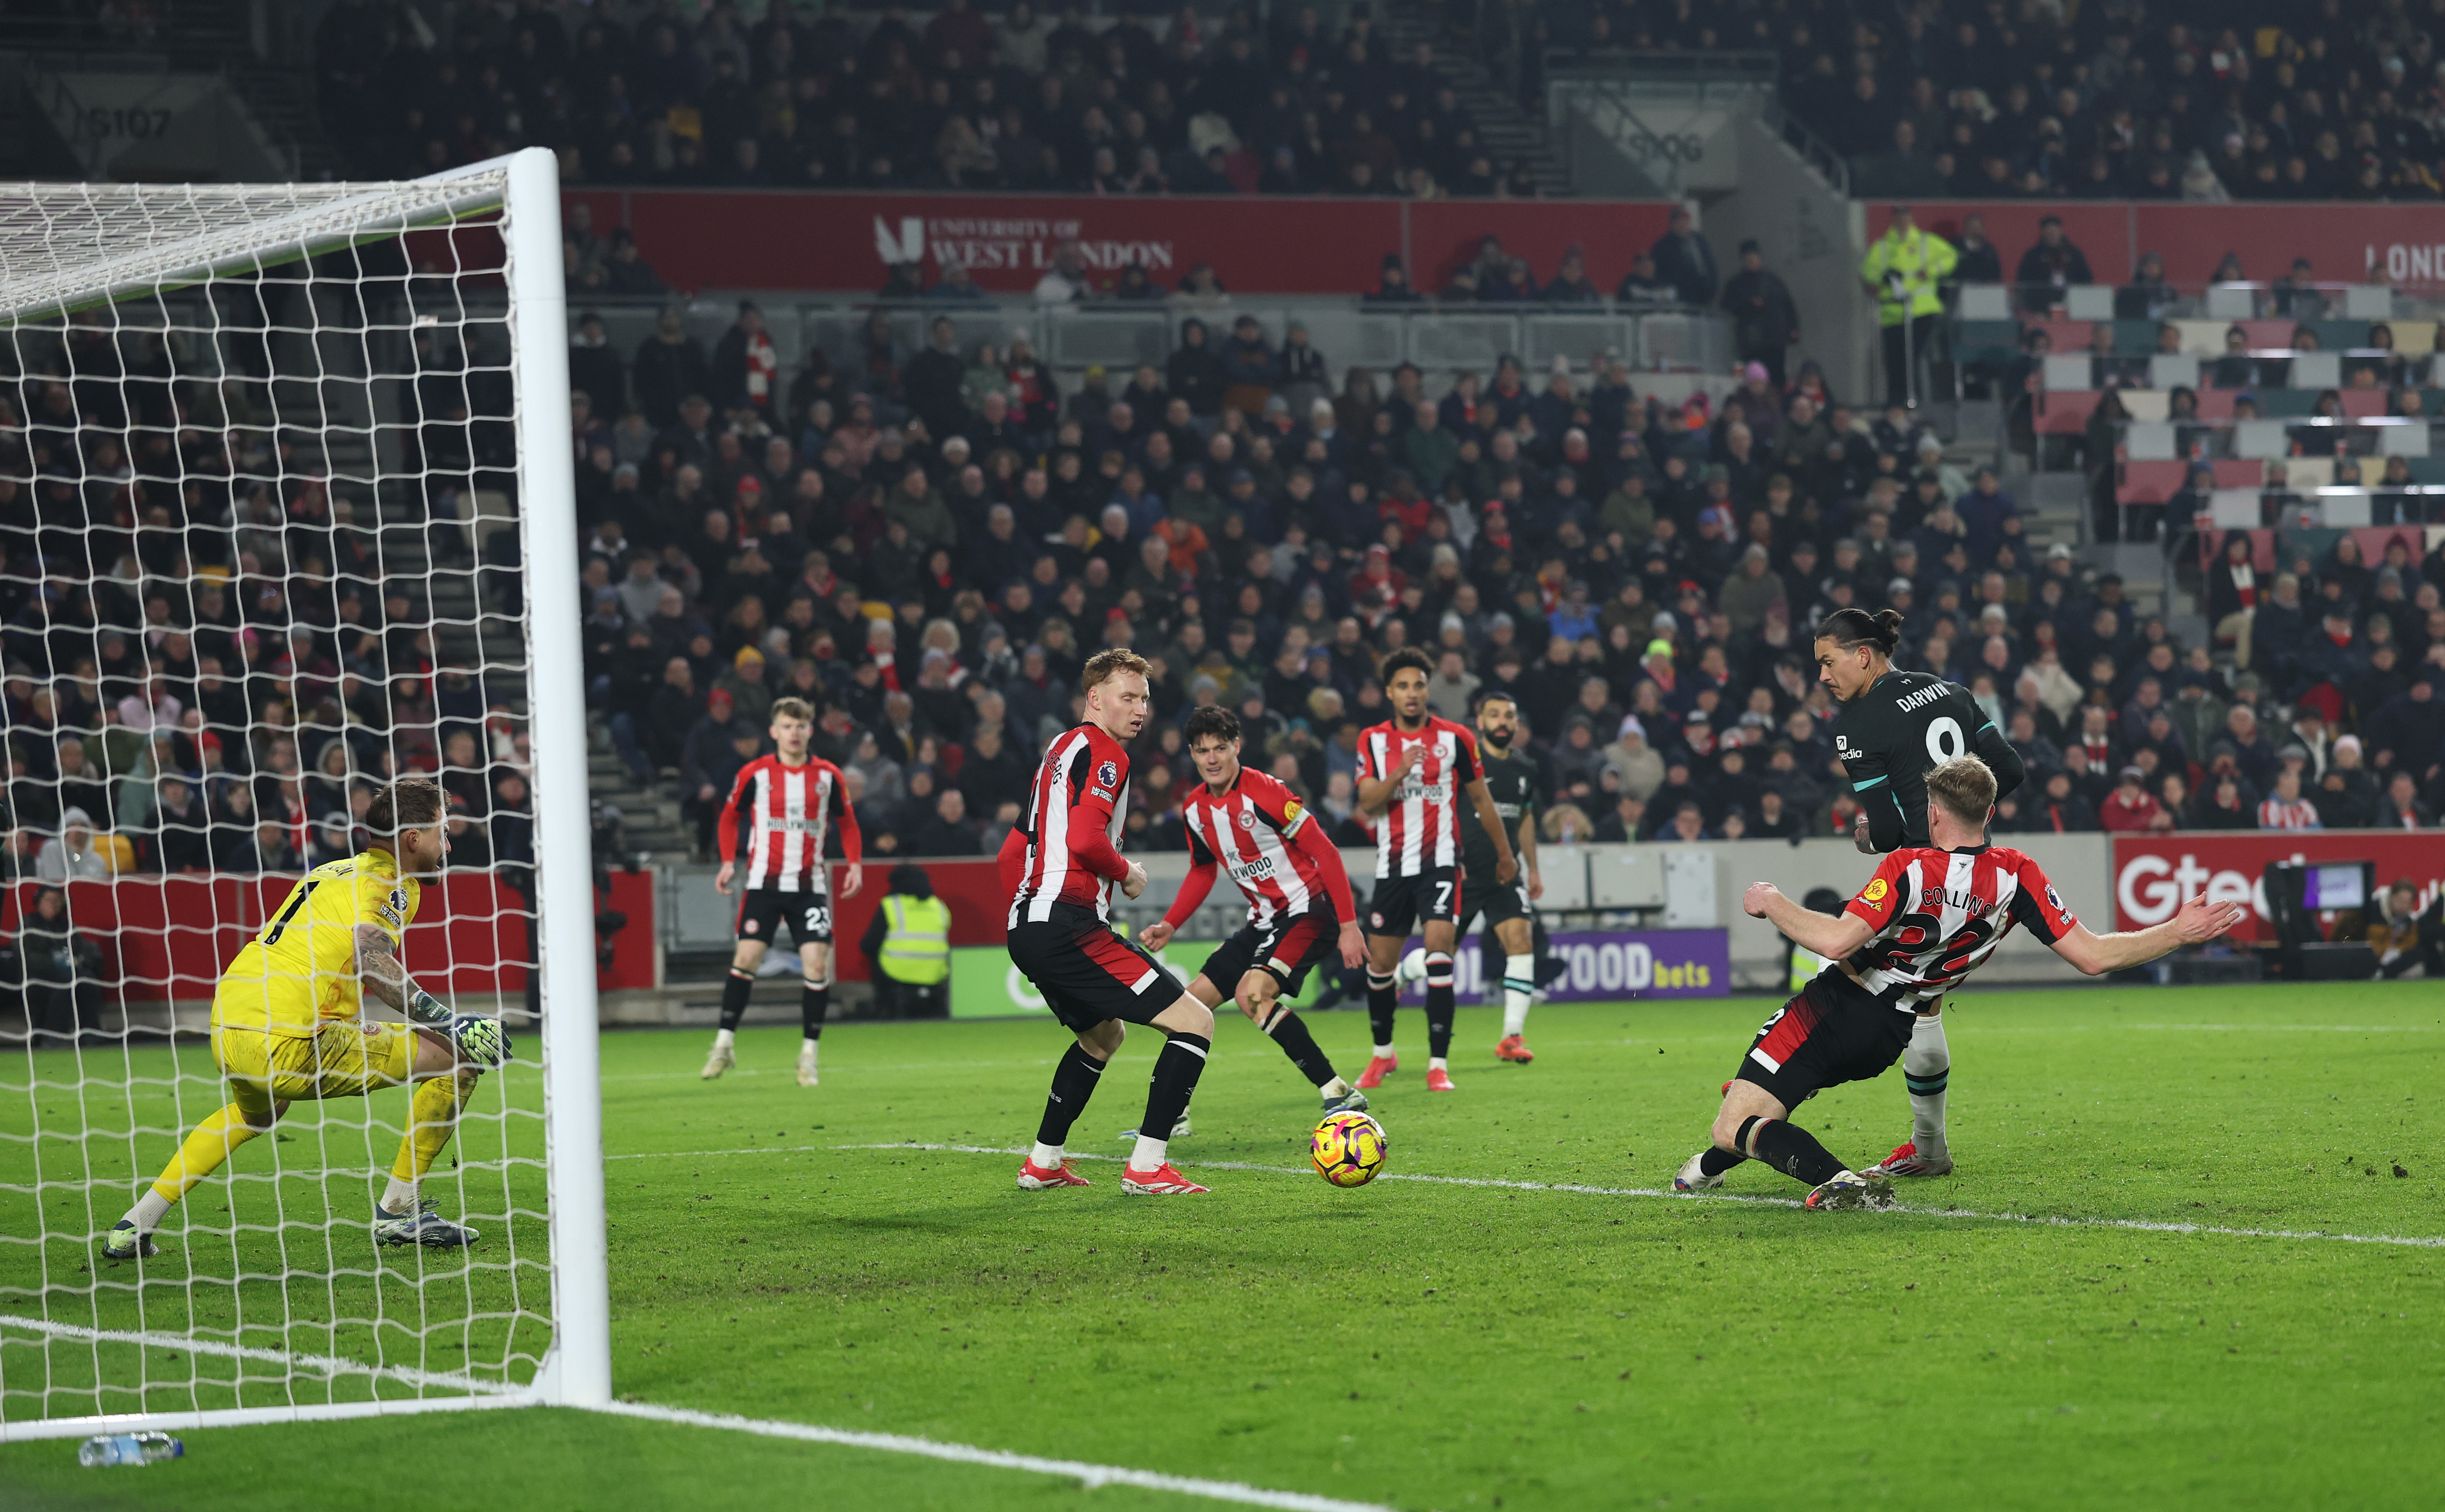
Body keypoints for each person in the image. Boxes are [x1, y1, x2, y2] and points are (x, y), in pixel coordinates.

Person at [1675, 756, 2248, 1210]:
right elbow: (2093, 956)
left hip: (1834, 1007)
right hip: (1893, 1032)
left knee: (1735, 1124)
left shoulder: (1909, 866)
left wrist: (1771, 902)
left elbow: (1834, 941)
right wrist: (2174, 930)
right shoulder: (2016, 873)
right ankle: (1698, 1174)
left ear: (1933, 811)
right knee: (1752, 1108)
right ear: (1990, 809)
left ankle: (1839, 1181)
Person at [102, 779, 509, 1260]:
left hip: (229, 1022)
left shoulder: (334, 869)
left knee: (258, 1114)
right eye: (442, 832)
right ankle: (399, 1212)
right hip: (290, 1038)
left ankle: (134, 1224)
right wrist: (446, 1020)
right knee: (458, 1057)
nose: (449, 844)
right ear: (412, 838)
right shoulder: (392, 882)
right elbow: (370, 956)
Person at [1815, 606, 2027, 1182]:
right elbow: (2007, 770)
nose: (1823, 676)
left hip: (1916, 873)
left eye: (1828, 662)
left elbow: (1884, 831)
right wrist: (1966, 817)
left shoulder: (1856, 725)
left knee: (1836, 963)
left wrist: (1866, 838)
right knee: (1922, 1003)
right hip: (1976, 870)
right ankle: (1926, 1145)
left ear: (1863, 655)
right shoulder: (1951, 691)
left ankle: (1774, 1084)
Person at [998, 648, 1216, 1196]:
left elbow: (1011, 853)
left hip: (1028, 924)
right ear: (1095, 699)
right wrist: (1127, 874)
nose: (1139, 708)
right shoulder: (1105, 753)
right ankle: (1146, 1166)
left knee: (1102, 1035)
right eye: (1127, 697)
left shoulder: (1057, 749)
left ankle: (1042, 1162)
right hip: (1068, 923)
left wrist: (1030, 917)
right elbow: (1084, 840)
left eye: (1144, 698)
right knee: (1195, 1022)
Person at [1136, 707, 1372, 1134]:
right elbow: (1203, 870)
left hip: (1307, 910)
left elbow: (1327, 853)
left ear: (1236, 747)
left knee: (1253, 994)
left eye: (1220, 748)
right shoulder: (1194, 810)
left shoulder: (1267, 793)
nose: (1212, 758)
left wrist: (1350, 925)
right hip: (1263, 919)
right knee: (1184, 1009)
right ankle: (1174, 1114)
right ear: (1191, 753)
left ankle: (1337, 1090)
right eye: (1203, 750)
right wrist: (1171, 924)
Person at [1352, 647, 1519, 1093]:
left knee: (1439, 954)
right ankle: (1383, 1055)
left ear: (1428, 689)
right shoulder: (1373, 740)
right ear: (1390, 692)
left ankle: (1438, 1064)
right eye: (1403, 686)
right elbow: (1367, 804)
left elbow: (1482, 800)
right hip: (1392, 867)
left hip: (1442, 864)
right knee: (1381, 967)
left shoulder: (1456, 738)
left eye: (1419, 685)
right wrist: (1400, 772)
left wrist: (1506, 854)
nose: (1412, 693)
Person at [703, 695, 864, 1088]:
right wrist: (728, 861)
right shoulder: (755, 773)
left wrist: (855, 863)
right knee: (747, 956)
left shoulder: (828, 775)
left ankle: (809, 1055)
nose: (795, 733)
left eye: (801, 726)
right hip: (764, 884)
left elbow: (848, 823)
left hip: (809, 887)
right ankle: (724, 1043)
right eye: (788, 726)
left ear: (810, 731)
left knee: (815, 964)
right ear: (774, 731)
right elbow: (728, 818)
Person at [1398, 689, 1544, 1061]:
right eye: (1494, 715)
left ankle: (1511, 1036)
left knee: (1520, 941)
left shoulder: (1526, 767)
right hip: (1462, 872)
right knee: (1441, 955)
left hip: (1505, 873)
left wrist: (1533, 868)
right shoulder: (1464, 764)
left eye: (1508, 716)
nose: (1502, 722)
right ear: (1479, 722)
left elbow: (1524, 819)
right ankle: (1398, 976)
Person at [1858, 205, 1956, 408]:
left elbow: (1950, 257)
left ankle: (1915, 399)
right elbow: (1868, 272)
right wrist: (1882, 277)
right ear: (1893, 219)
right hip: (1892, 313)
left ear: (1911, 218)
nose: (1902, 220)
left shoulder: (1925, 242)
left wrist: (1930, 271)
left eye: (1906, 216)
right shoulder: (1883, 247)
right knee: (1894, 360)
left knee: (1914, 357)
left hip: (1921, 310)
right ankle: (1896, 400)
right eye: (1898, 216)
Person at [858, 862, 950, 1018]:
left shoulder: (891, 906)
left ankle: (884, 1010)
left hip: (897, 974)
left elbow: (868, 944)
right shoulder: (939, 906)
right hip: (936, 974)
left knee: (874, 955)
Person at [1720, 239, 1800, 387]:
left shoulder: (1775, 282)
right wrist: (1747, 305)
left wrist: (1793, 329)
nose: (1751, 261)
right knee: (1755, 380)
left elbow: (1788, 306)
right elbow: (1726, 309)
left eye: (1753, 257)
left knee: (1777, 380)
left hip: (1775, 342)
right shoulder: (1735, 285)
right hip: (1752, 344)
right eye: (1747, 259)